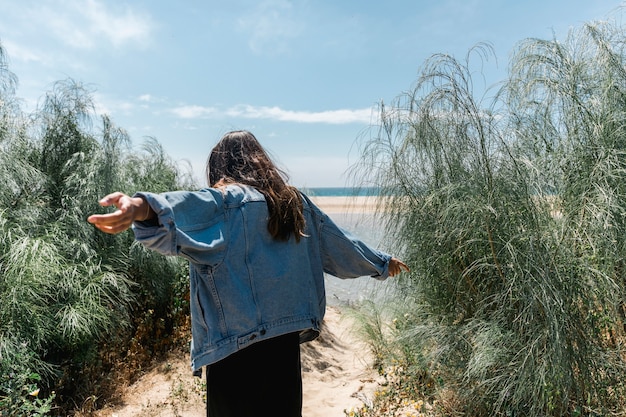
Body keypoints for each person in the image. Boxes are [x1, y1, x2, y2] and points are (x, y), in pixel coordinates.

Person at [87, 130, 409, 417]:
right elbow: (341, 247)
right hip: (284, 357)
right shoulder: (296, 206)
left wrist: (139, 207)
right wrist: (381, 262)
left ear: (220, 169)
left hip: (234, 363)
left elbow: (184, 209)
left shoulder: (226, 205)